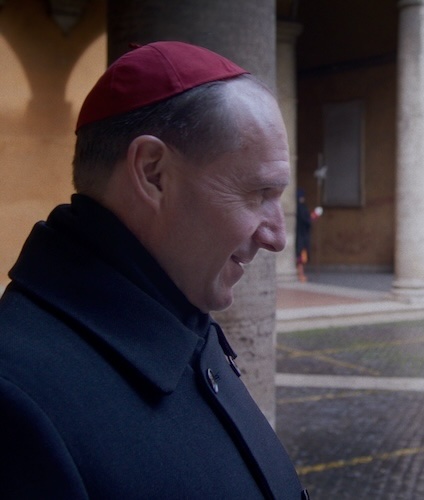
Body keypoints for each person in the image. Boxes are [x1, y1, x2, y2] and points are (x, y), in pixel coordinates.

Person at [0, 41, 309, 499]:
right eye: (258, 193)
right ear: (152, 173)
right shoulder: (15, 403)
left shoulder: (181, 314)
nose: (278, 237)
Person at [295, 189, 321, 282]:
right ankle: (300, 274)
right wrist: (315, 215)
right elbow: (307, 220)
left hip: (299, 234)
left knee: (301, 255)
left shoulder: (297, 207)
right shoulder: (301, 207)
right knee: (301, 256)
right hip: (302, 235)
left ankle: (301, 274)